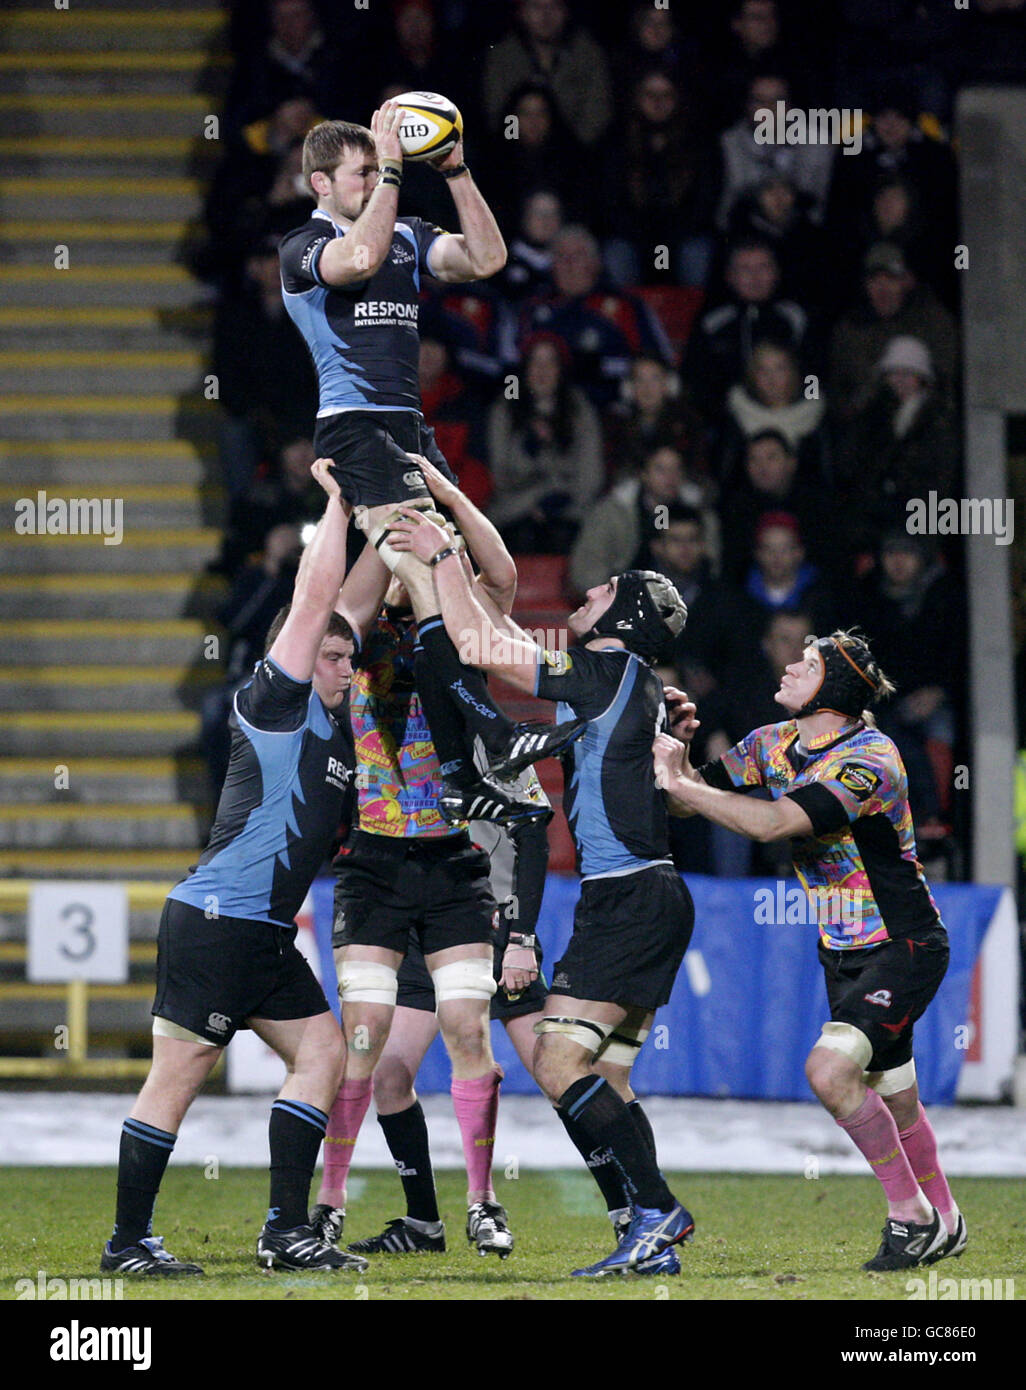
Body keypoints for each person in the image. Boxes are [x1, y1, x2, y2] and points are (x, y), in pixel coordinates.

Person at [388, 504, 696, 1278]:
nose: (584, 593)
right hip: (646, 892)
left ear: (627, 614)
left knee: (559, 1061)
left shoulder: (609, 673)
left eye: (602, 592)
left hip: (627, 897)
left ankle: (657, 1213)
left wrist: (436, 555)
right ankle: (640, 1225)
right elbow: (502, 623)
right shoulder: (627, 684)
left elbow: (483, 640)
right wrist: (450, 514)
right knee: (610, 1078)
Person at [101, 461, 393, 1277]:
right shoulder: (274, 699)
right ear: (297, 659)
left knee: (322, 1054)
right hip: (218, 923)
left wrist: (398, 522)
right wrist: (338, 502)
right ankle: (127, 1244)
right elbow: (316, 603)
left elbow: (352, 606)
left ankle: (286, 1232)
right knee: (182, 1073)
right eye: (332, 657)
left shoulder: (333, 713)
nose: (346, 664)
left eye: (347, 657)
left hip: (260, 936)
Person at [312, 462, 581, 1261]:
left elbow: (497, 575)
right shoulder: (353, 642)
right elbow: (337, 603)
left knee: (470, 1031)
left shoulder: (457, 629)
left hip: (453, 865)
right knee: (369, 1053)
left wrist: (447, 506)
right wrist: (378, 521)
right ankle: (344, 1207)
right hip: (375, 863)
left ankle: (483, 1203)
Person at [279, 108, 580, 813]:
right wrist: (391, 169)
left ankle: (468, 752)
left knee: (453, 583)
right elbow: (355, 260)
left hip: (411, 430)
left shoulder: (408, 236)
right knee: (426, 561)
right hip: (354, 428)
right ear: (322, 183)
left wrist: (455, 171)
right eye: (362, 171)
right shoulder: (303, 245)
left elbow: (487, 259)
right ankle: (487, 735)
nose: (380, 177)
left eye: (380, 169)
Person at [653, 629, 966, 1272]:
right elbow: (690, 803)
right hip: (841, 952)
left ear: (835, 687)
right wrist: (678, 754)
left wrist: (681, 786)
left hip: (904, 943)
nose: (791, 665)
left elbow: (771, 823)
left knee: (829, 1072)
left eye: (808, 661)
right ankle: (949, 1222)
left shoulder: (871, 758)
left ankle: (910, 1216)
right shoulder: (772, 742)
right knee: (897, 1097)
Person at [324, 776, 552, 1256]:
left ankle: (632, 1209)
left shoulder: (484, 735)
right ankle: (418, 1223)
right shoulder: (367, 726)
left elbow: (533, 828)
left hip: (480, 914)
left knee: (556, 1071)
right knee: (381, 1067)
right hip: (402, 905)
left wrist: (522, 936)